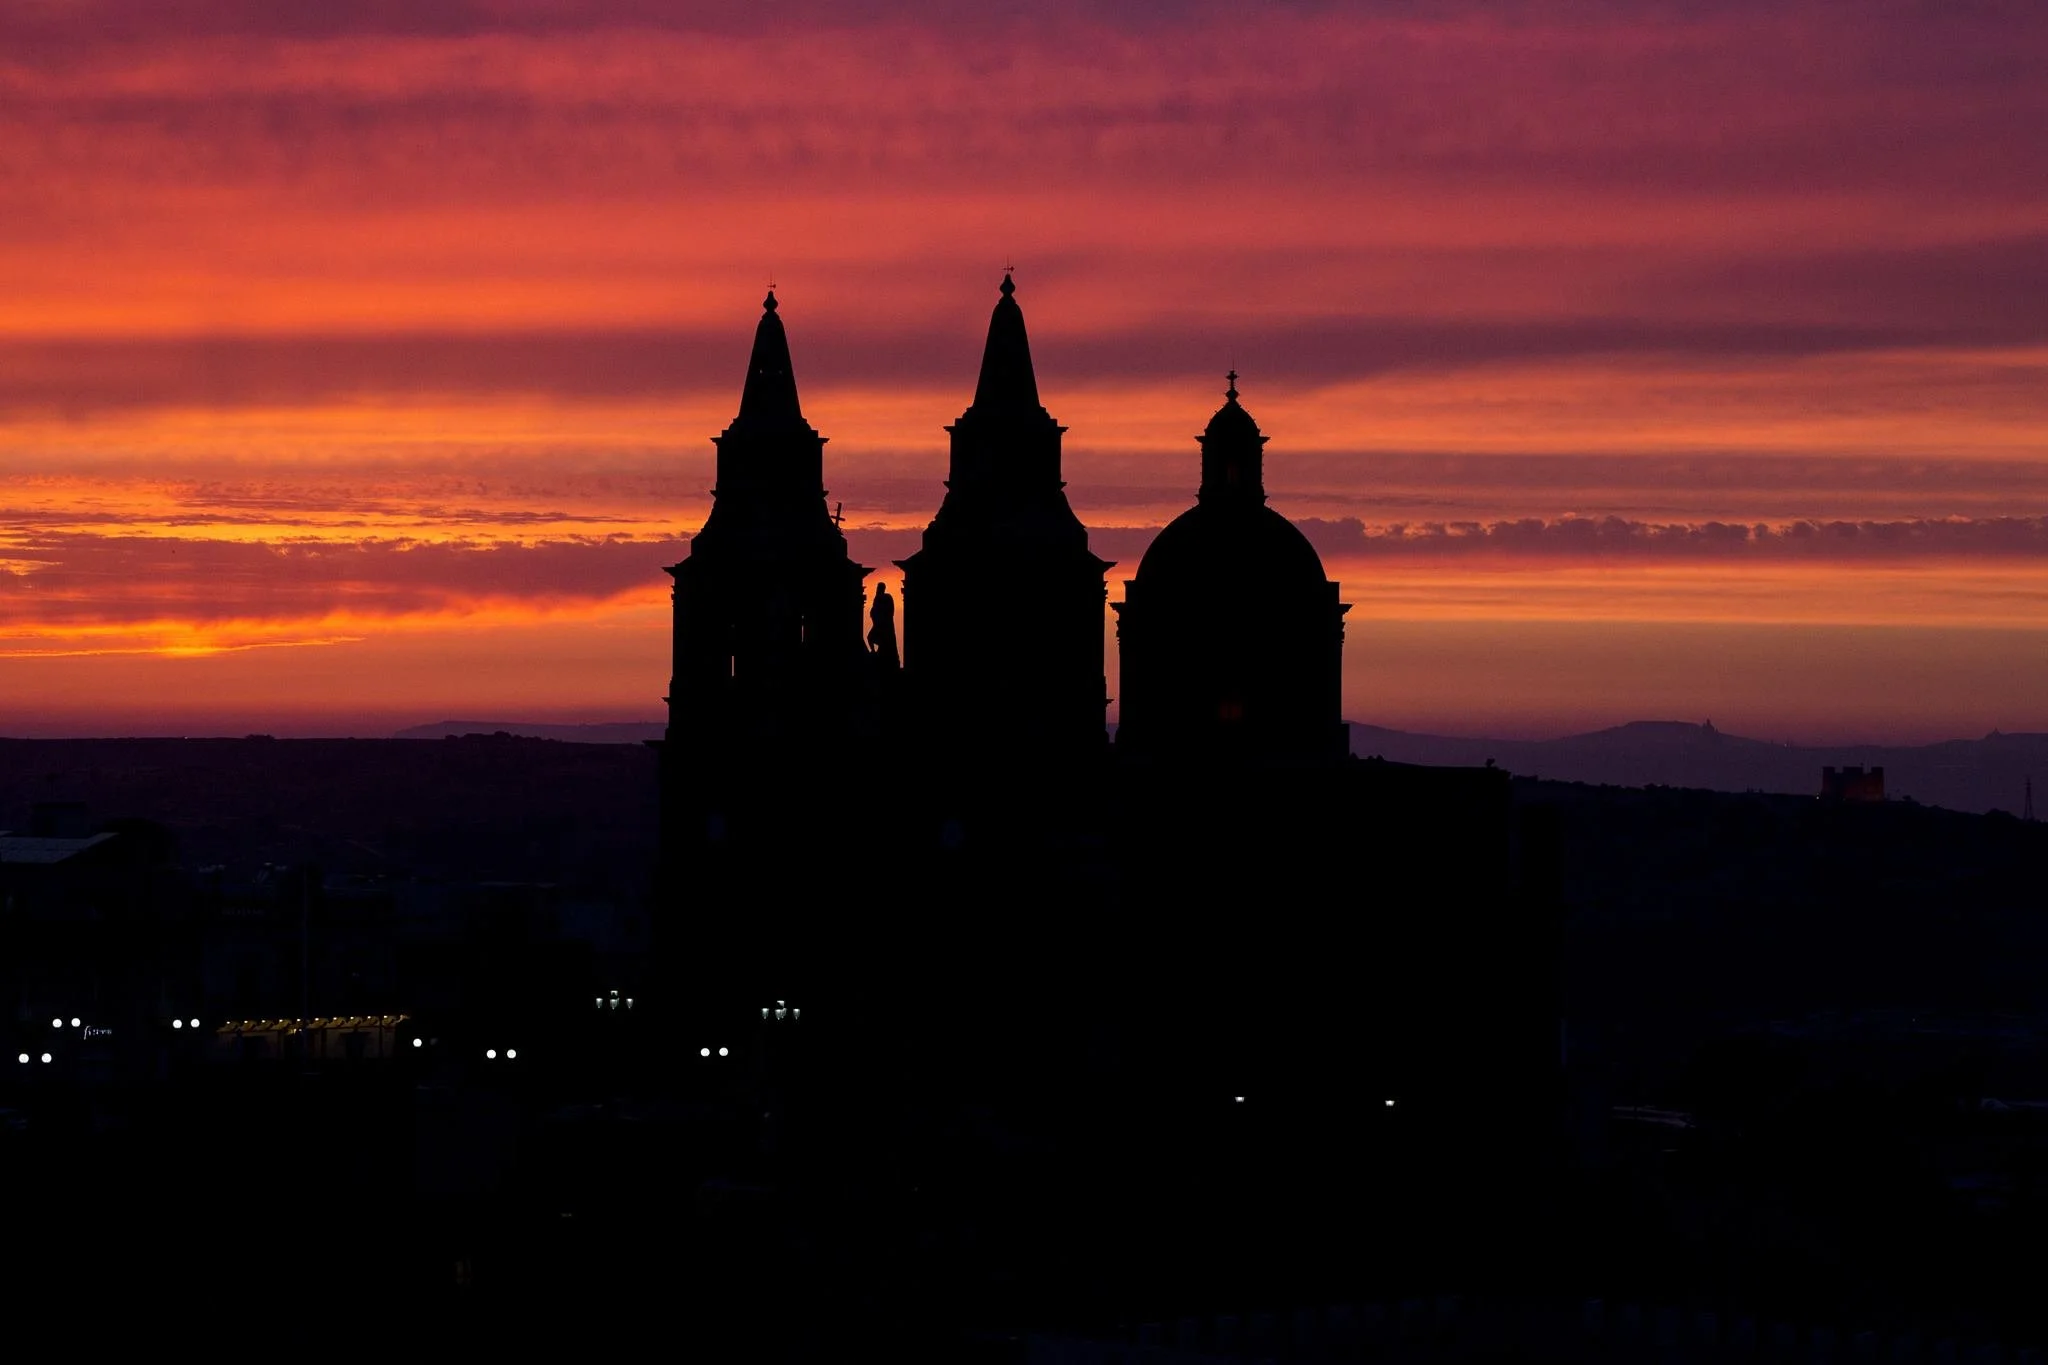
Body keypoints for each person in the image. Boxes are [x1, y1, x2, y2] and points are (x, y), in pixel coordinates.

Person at [867, 580, 900, 670]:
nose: (878, 590)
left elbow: (889, 611)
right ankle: (874, 652)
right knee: (870, 637)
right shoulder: (878, 598)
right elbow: (874, 610)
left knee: (872, 638)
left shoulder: (886, 597)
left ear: (882, 589)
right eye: (878, 588)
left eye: (879, 588)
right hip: (878, 625)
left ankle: (877, 653)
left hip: (883, 626)